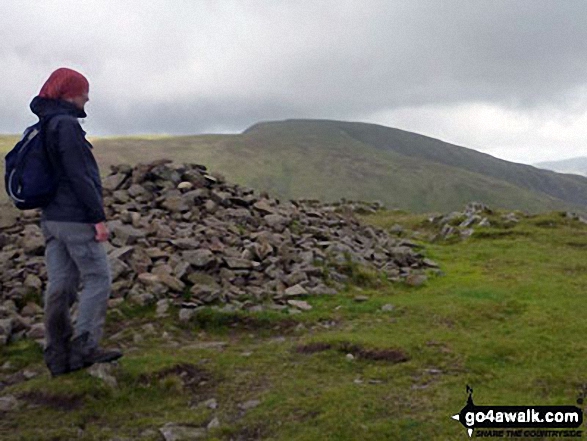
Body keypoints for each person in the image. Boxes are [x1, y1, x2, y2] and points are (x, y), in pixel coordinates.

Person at [30, 67, 122, 377]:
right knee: (98, 278)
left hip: (51, 219)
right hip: (75, 218)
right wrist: (97, 218)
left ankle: (57, 354)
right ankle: (85, 346)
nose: (87, 97)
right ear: (69, 93)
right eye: (83, 91)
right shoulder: (66, 126)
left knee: (61, 285)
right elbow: (79, 176)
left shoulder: (43, 124)